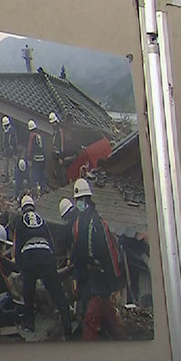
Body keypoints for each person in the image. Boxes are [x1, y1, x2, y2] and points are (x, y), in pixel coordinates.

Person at [70, 178, 128, 340]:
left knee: (91, 319)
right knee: (109, 316)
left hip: (102, 277)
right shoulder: (78, 224)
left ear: (88, 200)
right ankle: (123, 338)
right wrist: (76, 277)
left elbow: (109, 254)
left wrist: (115, 284)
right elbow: (78, 255)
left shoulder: (97, 224)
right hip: (90, 277)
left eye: (82, 200)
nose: (80, 203)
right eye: (78, 200)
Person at [14, 195, 71, 337]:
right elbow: (50, 243)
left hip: (29, 258)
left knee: (29, 294)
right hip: (46, 257)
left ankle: (30, 325)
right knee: (58, 295)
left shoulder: (20, 222)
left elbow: (17, 246)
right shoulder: (42, 221)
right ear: (33, 207)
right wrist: (52, 262)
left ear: (22, 208)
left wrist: (21, 266)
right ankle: (67, 326)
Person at [26, 119, 47, 195]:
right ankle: (42, 189)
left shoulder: (32, 136)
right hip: (43, 159)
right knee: (41, 175)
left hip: (36, 160)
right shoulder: (40, 135)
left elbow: (30, 148)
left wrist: (29, 158)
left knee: (35, 175)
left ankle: (35, 191)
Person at [48, 112, 68, 187]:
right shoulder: (55, 131)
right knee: (55, 169)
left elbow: (62, 144)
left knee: (60, 170)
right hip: (55, 153)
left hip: (59, 154)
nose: (52, 125)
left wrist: (61, 157)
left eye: (53, 123)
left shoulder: (60, 131)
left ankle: (62, 184)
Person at [1, 116, 18, 184]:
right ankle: (7, 178)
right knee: (6, 166)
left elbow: (14, 143)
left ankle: (12, 181)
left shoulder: (11, 132)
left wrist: (14, 152)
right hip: (6, 151)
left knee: (11, 167)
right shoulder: (4, 132)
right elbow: (3, 142)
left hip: (11, 152)